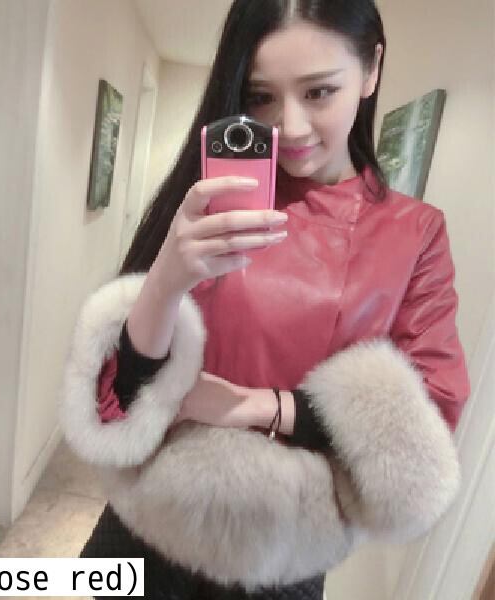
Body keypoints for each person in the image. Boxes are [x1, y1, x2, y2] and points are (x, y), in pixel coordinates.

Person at [58, 1, 471, 598]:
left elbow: (425, 426)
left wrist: (259, 407)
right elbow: (117, 396)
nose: (290, 127)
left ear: (371, 69)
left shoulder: (414, 234)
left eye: (319, 92)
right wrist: (167, 278)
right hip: (144, 529)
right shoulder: (207, 198)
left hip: (281, 560)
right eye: (260, 97)